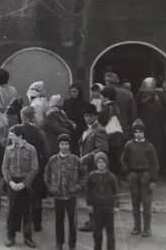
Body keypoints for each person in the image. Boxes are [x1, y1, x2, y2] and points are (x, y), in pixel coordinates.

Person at [44, 133, 87, 250]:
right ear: (58, 145)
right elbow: (46, 175)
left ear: (69, 145)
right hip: (58, 196)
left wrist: (77, 187)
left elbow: (83, 175)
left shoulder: (75, 160)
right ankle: (59, 243)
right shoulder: (53, 160)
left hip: (71, 196)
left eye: (66, 144)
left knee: (72, 221)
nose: (64, 146)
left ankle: (72, 244)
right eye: (62, 144)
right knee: (59, 220)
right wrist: (52, 188)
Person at [2, 125, 39, 248]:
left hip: (25, 183)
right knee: (11, 210)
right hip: (12, 182)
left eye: (12, 135)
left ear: (20, 136)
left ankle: (28, 237)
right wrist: (10, 182)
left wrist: (24, 183)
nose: (10, 137)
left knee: (26, 211)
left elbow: (34, 168)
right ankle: (10, 236)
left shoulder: (31, 149)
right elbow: (5, 167)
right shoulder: (8, 149)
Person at [121, 119, 158, 238]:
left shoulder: (149, 146)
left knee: (146, 203)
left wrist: (153, 180)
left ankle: (147, 228)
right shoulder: (129, 145)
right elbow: (123, 159)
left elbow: (154, 164)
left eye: (140, 132)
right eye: (136, 132)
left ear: (144, 133)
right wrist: (128, 172)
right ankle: (137, 226)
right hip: (133, 175)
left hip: (146, 176)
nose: (138, 134)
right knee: (135, 202)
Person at [78, 103, 108, 233]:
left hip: (93, 167)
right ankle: (94, 220)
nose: (87, 118)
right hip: (87, 167)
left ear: (96, 116)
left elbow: (102, 149)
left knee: (92, 195)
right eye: (85, 116)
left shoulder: (99, 130)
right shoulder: (87, 128)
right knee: (89, 195)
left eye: (90, 116)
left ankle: (95, 221)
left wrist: (85, 158)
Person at [19, 106, 50, 233]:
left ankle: (20, 223)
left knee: (20, 195)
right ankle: (37, 224)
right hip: (36, 167)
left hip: (20, 166)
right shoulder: (39, 132)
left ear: (23, 116)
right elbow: (46, 152)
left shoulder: (17, 130)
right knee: (36, 196)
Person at [86, 152, 119, 250]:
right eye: (99, 162)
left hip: (108, 206)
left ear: (106, 163)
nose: (101, 164)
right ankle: (97, 247)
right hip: (96, 207)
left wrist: (116, 205)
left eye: (103, 162)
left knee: (110, 230)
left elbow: (116, 191)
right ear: (96, 163)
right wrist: (89, 204)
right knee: (97, 231)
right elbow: (88, 191)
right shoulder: (91, 176)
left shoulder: (111, 176)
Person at [98, 86, 124, 180]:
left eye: (102, 96)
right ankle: (116, 179)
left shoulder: (107, 109)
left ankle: (111, 180)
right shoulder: (115, 106)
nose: (100, 98)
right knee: (115, 159)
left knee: (110, 159)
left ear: (107, 97)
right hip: (116, 137)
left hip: (109, 138)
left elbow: (99, 123)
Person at [64, 84, 88, 155]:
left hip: (81, 129)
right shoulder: (66, 103)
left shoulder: (84, 104)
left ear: (79, 92)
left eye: (75, 92)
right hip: (69, 129)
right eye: (71, 92)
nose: (73, 94)